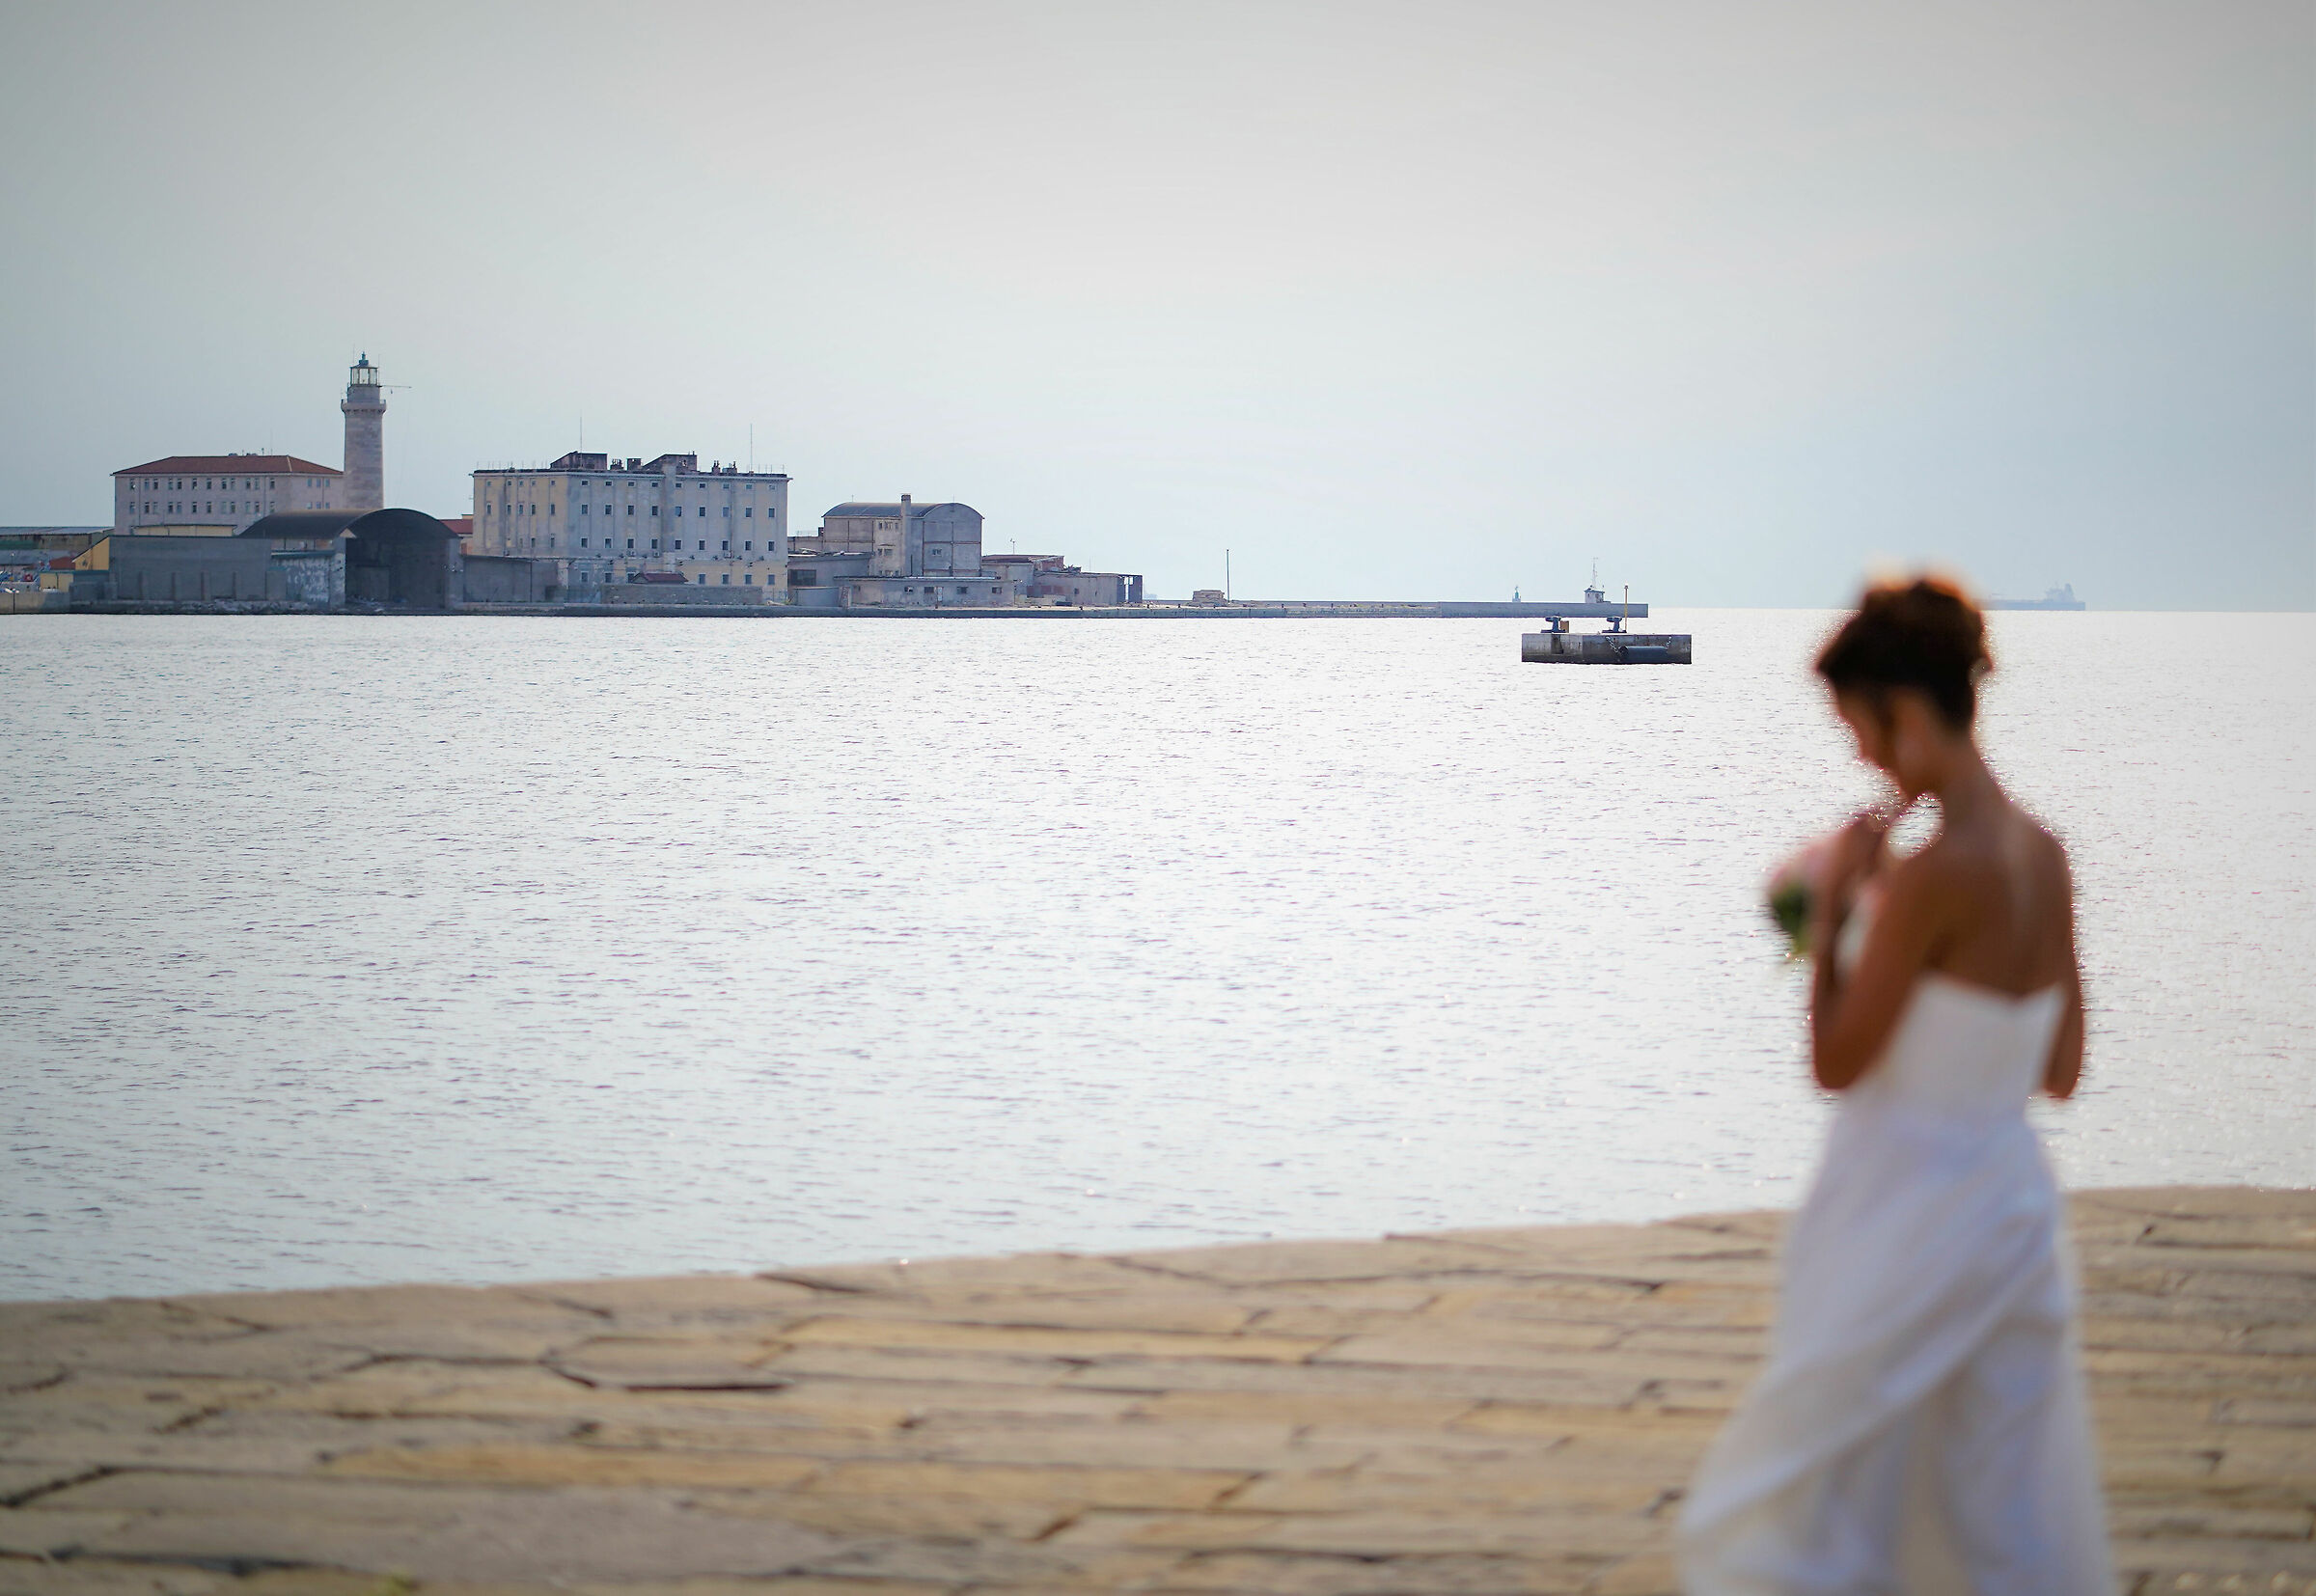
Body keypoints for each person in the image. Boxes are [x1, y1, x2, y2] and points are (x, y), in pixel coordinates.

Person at [1677, 577, 2113, 1593]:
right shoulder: (2046, 859)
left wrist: (1832, 915)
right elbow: (2061, 1069)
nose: (1863, 757)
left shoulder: (1928, 880)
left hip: (1903, 1209)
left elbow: (1835, 1062)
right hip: (2010, 1210)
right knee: (1997, 1507)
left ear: (1907, 714)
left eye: (1863, 732)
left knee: (1811, 1498)